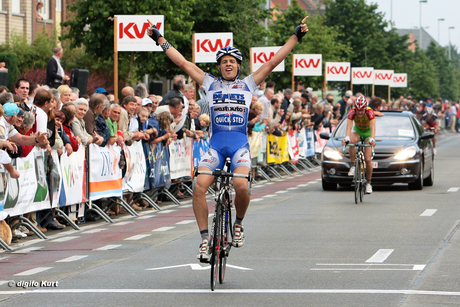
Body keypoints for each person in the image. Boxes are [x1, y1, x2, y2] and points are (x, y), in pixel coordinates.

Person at [148, 16, 309, 262]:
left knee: (241, 186)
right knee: (199, 186)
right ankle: (204, 239)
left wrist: (296, 36)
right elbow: (182, 62)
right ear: (219, 66)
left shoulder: (249, 84)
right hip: (215, 146)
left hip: (239, 146)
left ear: (238, 65)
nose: (228, 65)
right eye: (224, 62)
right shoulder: (209, 83)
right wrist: (160, 39)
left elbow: (275, 60)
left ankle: (239, 223)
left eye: (232, 61)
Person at [341, 96, 376, 194]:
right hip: (358, 131)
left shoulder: (370, 112)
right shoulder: (352, 112)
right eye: (358, 110)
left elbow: (373, 128)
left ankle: (368, 183)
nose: (360, 113)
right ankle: (353, 166)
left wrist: (372, 139)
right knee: (351, 141)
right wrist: (346, 138)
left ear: (365, 108)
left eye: (362, 110)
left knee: (368, 159)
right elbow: (349, 127)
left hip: (368, 133)